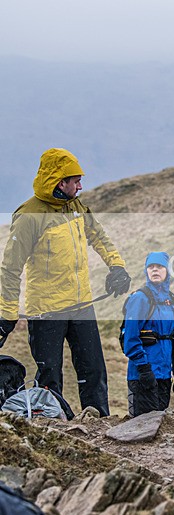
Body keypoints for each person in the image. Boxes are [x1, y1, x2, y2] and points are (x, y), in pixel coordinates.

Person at [0, 148, 131, 419]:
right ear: (60, 182)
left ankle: (99, 424)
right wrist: (7, 313)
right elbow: (10, 269)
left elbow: (99, 236)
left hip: (82, 304)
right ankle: (53, 427)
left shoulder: (76, 206)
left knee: (94, 370)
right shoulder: (29, 216)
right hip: (46, 310)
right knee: (50, 375)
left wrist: (117, 266)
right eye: (76, 181)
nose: (81, 186)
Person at [122, 252, 174, 417]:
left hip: (164, 375)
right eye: (151, 267)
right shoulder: (140, 298)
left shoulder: (172, 301)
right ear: (146, 271)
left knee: (159, 428)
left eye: (159, 267)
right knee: (142, 427)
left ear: (167, 271)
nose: (155, 270)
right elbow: (130, 338)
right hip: (142, 376)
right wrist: (144, 369)